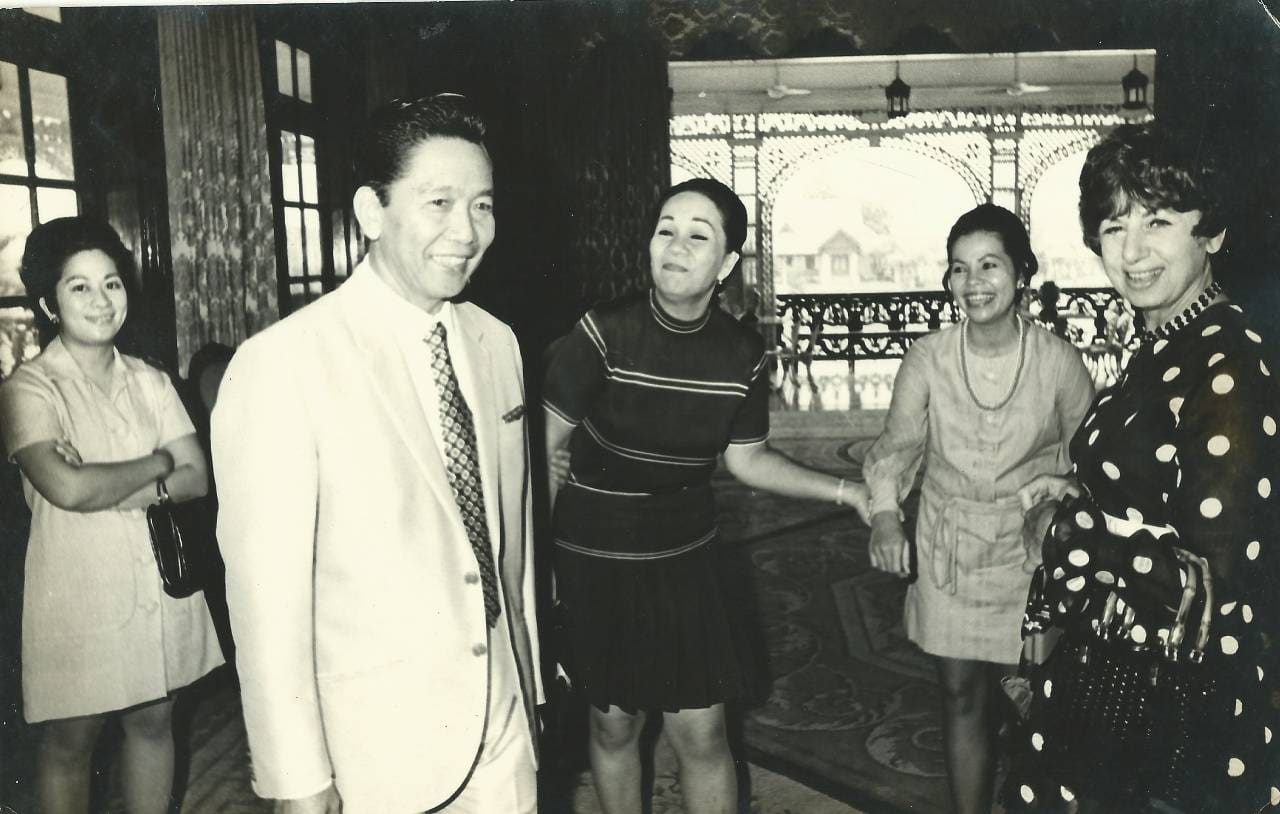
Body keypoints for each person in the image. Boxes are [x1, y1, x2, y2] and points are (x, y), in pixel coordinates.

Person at [211, 95, 542, 814]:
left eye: (483, 205)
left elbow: (510, 549)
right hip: (377, 751)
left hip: (506, 723)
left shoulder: (497, 344)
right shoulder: (284, 364)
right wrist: (299, 780)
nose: (467, 231)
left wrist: (530, 689)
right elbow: (267, 606)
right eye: (440, 203)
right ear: (370, 211)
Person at [543, 177, 871, 814]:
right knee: (616, 726)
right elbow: (535, 455)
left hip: (684, 558)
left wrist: (844, 490)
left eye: (698, 235)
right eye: (666, 229)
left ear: (724, 264)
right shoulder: (602, 333)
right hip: (595, 555)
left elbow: (746, 460)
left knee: (702, 731)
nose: (675, 245)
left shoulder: (740, 353)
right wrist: (537, 569)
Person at [1008, 123, 1280, 812]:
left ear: (1210, 232)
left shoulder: (1227, 368)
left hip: (1179, 707)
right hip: (1123, 676)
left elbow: (1206, 590)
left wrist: (1063, 532)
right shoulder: (1169, 342)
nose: (1132, 252)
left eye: (1159, 220)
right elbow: (1165, 491)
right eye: (1113, 225)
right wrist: (1085, 489)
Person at [864, 204, 1094, 814]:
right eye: (960, 269)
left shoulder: (1059, 362)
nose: (974, 283)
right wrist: (886, 514)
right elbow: (896, 447)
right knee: (961, 695)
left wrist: (1060, 497)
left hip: (1031, 555)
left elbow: (1095, 461)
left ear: (1022, 273)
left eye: (989, 265)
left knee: (1035, 699)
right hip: (951, 548)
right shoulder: (928, 358)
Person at [0, 216, 223, 814]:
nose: (101, 300)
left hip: (159, 578)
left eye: (112, 283)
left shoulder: (150, 379)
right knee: (72, 742)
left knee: (155, 724)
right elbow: (67, 490)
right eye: (80, 287)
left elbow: (197, 476)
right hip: (78, 585)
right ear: (49, 302)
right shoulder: (30, 388)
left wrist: (108, 481)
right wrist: (157, 462)